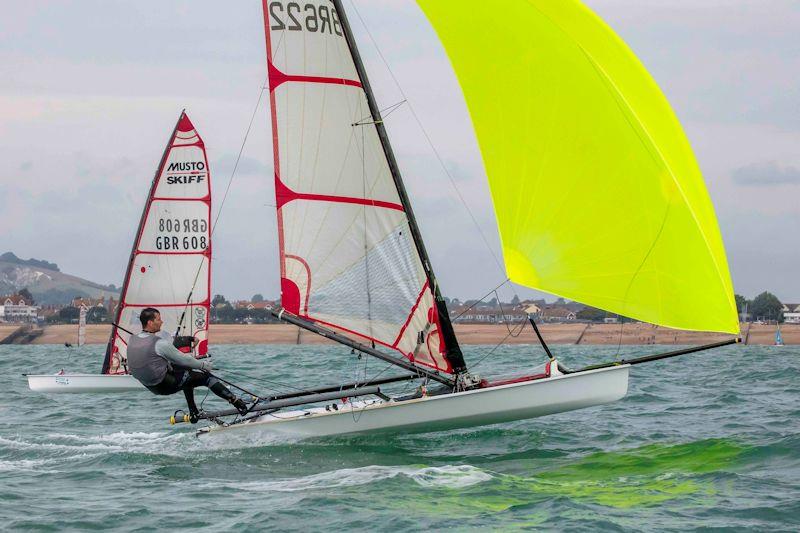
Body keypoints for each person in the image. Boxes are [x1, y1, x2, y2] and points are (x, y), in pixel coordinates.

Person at [127, 307, 248, 422]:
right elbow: (184, 359)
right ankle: (238, 403)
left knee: (186, 375)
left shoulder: (132, 340)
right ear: (150, 322)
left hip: (151, 387)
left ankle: (193, 411)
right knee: (207, 378)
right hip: (166, 385)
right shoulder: (159, 343)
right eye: (158, 319)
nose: (161, 322)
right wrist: (204, 365)